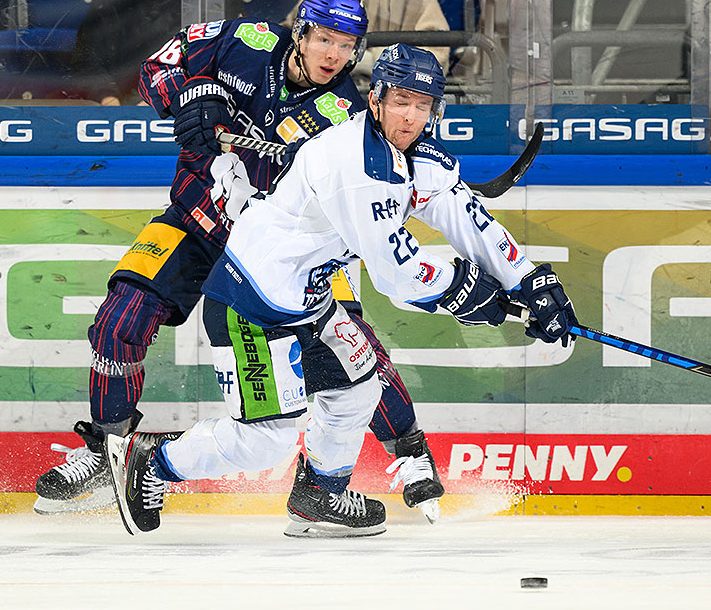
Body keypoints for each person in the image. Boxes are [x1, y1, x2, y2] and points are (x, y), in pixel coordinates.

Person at [106, 43, 577, 538]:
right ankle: (152, 462)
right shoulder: (355, 166)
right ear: (375, 100)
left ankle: (319, 494)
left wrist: (529, 279)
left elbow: (464, 215)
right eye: (401, 101)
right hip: (252, 301)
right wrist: (470, 292)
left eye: (423, 104)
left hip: (308, 300)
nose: (411, 116)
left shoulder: (418, 154)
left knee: (359, 388)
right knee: (265, 440)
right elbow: (396, 275)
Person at [35, 0, 445, 523]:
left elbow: (384, 171)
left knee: (354, 349)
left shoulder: (347, 117)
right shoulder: (242, 41)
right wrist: (188, 98)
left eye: (346, 46)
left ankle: (408, 453)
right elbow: (159, 66)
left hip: (281, 257)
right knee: (120, 320)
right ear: (300, 31)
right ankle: (105, 453)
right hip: (196, 222)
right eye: (324, 39)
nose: (333, 56)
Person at [69, 0, 242, 105]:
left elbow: (224, 55)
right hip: (124, 106)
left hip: (188, 111)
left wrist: (165, 97)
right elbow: (87, 58)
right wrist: (106, 97)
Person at [285, 0, 450, 81]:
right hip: (324, 86)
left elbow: (436, 54)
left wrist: (374, 61)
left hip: (383, 95)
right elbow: (292, 28)